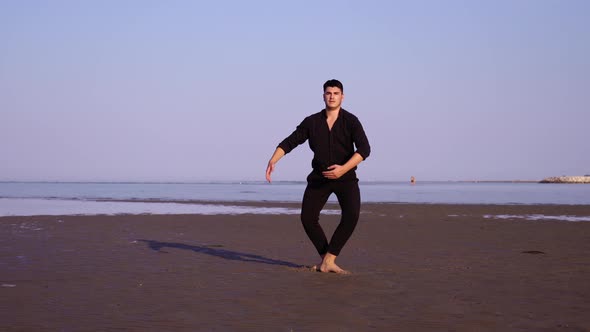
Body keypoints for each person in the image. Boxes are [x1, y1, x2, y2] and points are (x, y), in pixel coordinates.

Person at [265, 79, 371, 274]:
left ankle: (330, 259)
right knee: (308, 218)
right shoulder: (312, 122)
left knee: (352, 215)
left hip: (345, 178)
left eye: (336, 93)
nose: (332, 96)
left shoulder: (351, 121)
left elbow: (365, 149)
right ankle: (326, 260)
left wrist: (343, 169)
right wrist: (273, 160)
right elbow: (291, 141)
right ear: (323, 96)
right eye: (328, 93)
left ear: (342, 96)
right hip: (319, 178)